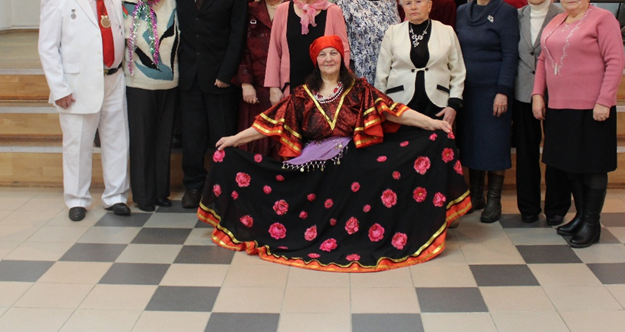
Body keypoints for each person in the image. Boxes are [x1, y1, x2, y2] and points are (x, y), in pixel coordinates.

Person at [198, 35, 471, 272]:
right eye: (323, 54)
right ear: (315, 61)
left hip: (352, 158)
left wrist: (432, 123)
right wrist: (234, 139)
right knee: (271, 180)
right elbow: (268, 124)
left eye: (333, 53)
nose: (328, 59)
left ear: (342, 58)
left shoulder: (359, 89)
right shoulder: (302, 95)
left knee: (393, 165)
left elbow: (394, 111)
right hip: (313, 164)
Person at [38, 0, 130, 221]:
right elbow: (48, 47)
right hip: (77, 85)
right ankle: (77, 199)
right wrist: (59, 88)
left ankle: (116, 196)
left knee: (117, 140)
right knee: (77, 145)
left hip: (113, 78)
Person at [532, 0, 625, 248]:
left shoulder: (602, 19)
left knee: (593, 167)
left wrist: (604, 101)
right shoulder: (557, 20)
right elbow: (543, 60)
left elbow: (615, 61)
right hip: (560, 107)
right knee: (570, 165)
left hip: (591, 108)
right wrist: (538, 94)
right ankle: (581, 216)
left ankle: (591, 223)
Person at [164, 0, 249, 209]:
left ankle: (222, 188)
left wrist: (226, 73)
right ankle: (193, 186)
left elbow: (238, 34)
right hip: (187, 74)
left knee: (222, 136)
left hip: (220, 78)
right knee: (191, 136)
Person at [456, 0, 518, 223]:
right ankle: (476, 195)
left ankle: (494, 200)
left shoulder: (506, 12)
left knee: (494, 143)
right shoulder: (462, 11)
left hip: (494, 91)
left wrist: (503, 91)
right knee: (471, 141)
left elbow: (510, 54)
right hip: (467, 91)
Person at [514, 0, 570, 225]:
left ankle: (556, 207)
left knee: (556, 151)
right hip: (523, 93)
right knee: (526, 153)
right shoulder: (516, 16)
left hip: (556, 93)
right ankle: (528, 207)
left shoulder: (563, 16)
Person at [122, 0, 180, 212]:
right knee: (142, 140)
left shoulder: (172, 2)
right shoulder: (124, 5)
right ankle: (143, 195)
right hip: (138, 84)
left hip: (170, 83)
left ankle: (160, 192)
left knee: (163, 140)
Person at [375, 0, 466, 129]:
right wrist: (382, 105)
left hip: (438, 105)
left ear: (429, 5)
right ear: (403, 7)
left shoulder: (446, 31)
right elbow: (382, 73)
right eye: (408, 3)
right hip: (400, 107)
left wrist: (454, 104)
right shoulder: (392, 32)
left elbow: (458, 72)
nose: (413, 7)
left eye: (418, 1)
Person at [266, 0, 350, 104]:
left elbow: (344, 50)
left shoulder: (333, 11)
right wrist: (273, 87)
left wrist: (340, 84)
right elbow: (274, 50)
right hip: (290, 87)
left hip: (326, 90)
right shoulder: (282, 10)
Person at [238, 0, 295, 156]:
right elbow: (242, 49)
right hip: (257, 86)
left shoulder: (296, 8)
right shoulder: (250, 11)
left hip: (289, 83)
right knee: (257, 141)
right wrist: (246, 83)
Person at [335, 0, 400, 85]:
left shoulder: (390, 1)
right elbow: (340, 41)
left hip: (389, 74)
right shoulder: (345, 0)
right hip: (358, 76)